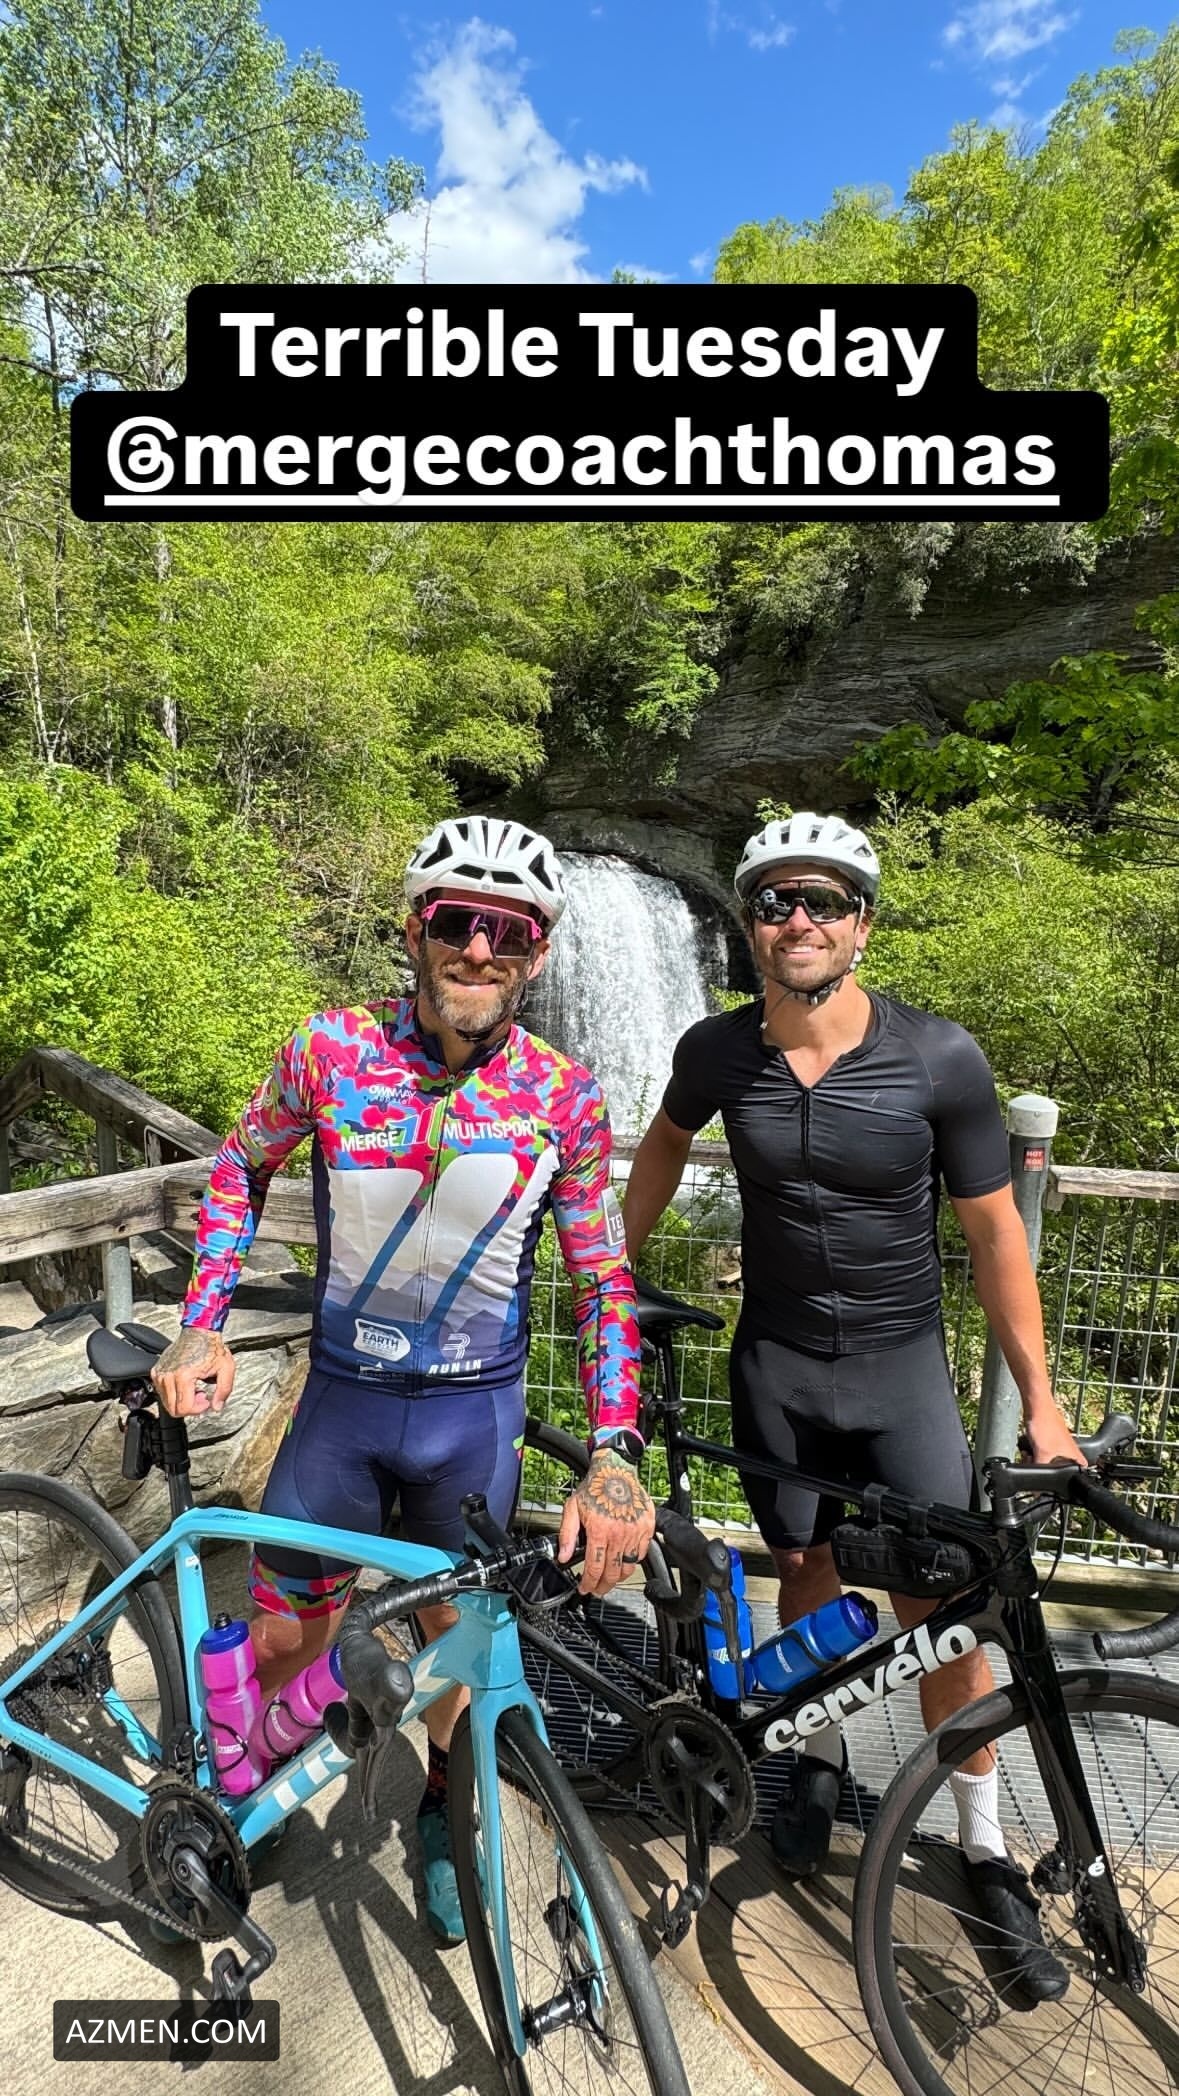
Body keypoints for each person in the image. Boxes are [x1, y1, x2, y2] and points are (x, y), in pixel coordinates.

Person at [151, 815, 655, 1947]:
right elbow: (238, 1164)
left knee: (453, 1647)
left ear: (537, 952)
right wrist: (199, 1324)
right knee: (286, 1639)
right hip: (345, 1408)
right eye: (457, 920)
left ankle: (440, 1806)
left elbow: (604, 1278)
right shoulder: (329, 1050)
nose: (479, 948)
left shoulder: (565, 1095)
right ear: (416, 927)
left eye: (507, 931)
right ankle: (248, 1780)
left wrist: (615, 1452)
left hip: (472, 1422)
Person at [624, 810, 1082, 2003]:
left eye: (823, 899)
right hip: (775, 1368)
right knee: (804, 1567)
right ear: (750, 923)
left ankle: (983, 1843)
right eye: (777, 899)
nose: (800, 919)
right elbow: (662, 1145)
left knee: (947, 1612)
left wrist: (1041, 1402)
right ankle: (818, 1758)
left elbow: (995, 1235)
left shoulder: (939, 1058)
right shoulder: (717, 1050)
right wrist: (610, 1268)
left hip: (900, 1375)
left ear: (862, 923)